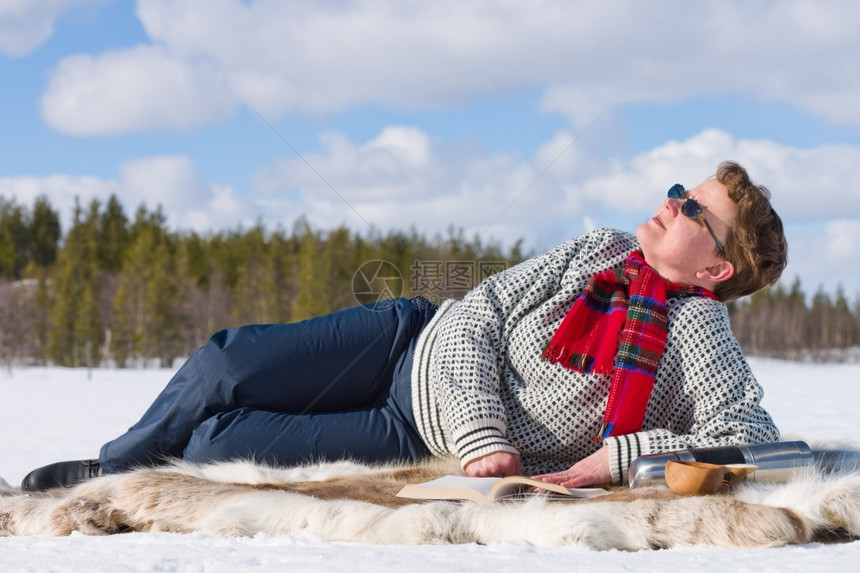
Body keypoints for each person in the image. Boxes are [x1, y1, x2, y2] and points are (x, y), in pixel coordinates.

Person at [21, 160, 787, 492]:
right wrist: (486, 433)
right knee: (223, 365)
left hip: (411, 432)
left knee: (220, 445)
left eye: (694, 210)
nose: (672, 201)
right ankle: (109, 469)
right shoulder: (601, 250)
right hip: (405, 338)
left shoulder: (696, 334)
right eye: (679, 189)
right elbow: (480, 311)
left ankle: (155, 466)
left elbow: (750, 436)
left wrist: (617, 458)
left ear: (718, 269)